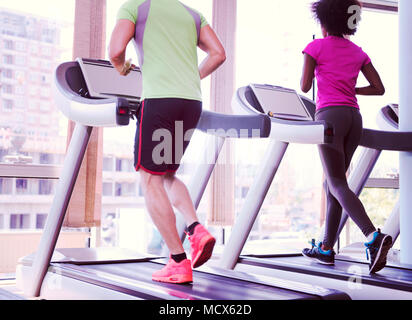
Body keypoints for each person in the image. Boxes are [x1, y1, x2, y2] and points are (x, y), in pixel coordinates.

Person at [108, 0, 226, 284]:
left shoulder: (135, 7)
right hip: (190, 102)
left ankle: (177, 260)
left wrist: (122, 68)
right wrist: (188, 77)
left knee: (149, 178)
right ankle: (195, 228)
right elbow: (219, 54)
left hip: (160, 100)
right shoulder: (192, 14)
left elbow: (115, 51)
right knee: (167, 174)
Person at [300, 0, 392, 274]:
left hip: (329, 116)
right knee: (334, 186)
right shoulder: (357, 51)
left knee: (337, 182)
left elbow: (304, 87)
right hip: (354, 118)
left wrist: (318, 66)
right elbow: (379, 88)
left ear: (324, 22)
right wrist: (351, 88)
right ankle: (326, 248)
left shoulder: (314, 47)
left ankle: (373, 237)